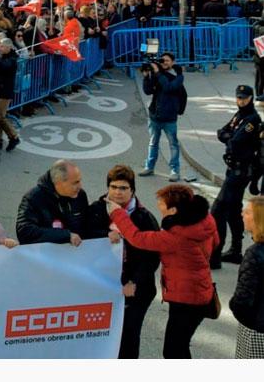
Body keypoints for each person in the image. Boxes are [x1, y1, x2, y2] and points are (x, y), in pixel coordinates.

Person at [107, 184, 218, 359]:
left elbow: (137, 238)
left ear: (173, 210)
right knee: (179, 346)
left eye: (162, 204)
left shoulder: (176, 236)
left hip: (186, 299)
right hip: (200, 291)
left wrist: (117, 213)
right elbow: (216, 242)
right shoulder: (205, 221)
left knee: (174, 350)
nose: (158, 206)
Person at [84, 165, 160, 359]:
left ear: (132, 190)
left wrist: (134, 282)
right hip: (103, 285)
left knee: (128, 337)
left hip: (135, 290)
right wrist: (105, 234)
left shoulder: (144, 217)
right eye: (114, 187)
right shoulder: (96, 209)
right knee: (101, 336)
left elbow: (152, 257)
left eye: (123, 188)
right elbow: (85, 236)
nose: (118, 192)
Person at [211, 84, 262, 268]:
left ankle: (214, 256)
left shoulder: (252, 120)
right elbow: (221, 132)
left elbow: (235, 142)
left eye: (244, 98)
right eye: (238, 97)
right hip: (233, 169)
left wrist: (229, 137)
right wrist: (228, 136)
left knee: (217, 210)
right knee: (233, 210)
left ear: (251, 98)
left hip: (241, 171)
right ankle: (235, 251)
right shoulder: (239, 115)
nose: (241, 101)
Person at [16, 159, 89, 246]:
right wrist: (65, 235)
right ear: (58, 182)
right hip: (44, 255)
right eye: (75, 183)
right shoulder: (33, 198)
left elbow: (88, 223)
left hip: (74, 253)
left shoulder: (80, 195)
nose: (80, 186)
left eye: (80, 181)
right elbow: (25, 231)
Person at [140, 52, 184, 181]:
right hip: (155, 116)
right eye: (162, 60)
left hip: (170, 117)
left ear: (173, 62)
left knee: (173, 145)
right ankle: (149, 167)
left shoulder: (178, 76)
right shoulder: (158, 74)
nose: (164, 62)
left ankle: (175, 171)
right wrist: (146, 77)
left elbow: (169, 87)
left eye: (167, 61)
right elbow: (148, 91)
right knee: (153, 143)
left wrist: (157, 72)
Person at [230, 197, 264, 358]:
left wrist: (239, 311)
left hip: (256, 329)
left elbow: (242, 298)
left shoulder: (255, 253)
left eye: (248, 212)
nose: (242, 214)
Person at [0, 37, 20, 151]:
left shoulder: (12, 59)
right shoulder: (0, 56)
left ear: (9, 47)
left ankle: (13, 137)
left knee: (0, 116)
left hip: (5, 90)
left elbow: (3, 66)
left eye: (2, 46)